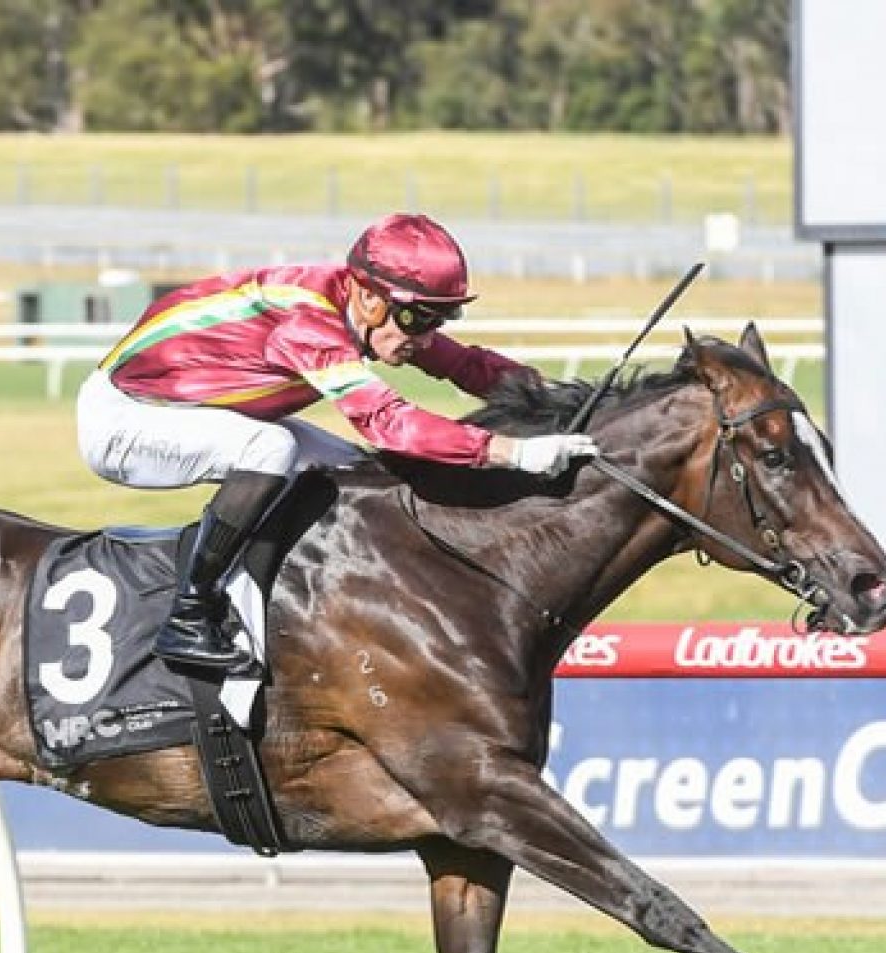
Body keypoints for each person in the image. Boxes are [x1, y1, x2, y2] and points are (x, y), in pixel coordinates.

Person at [77, 212, 596, 671]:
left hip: (198, 408)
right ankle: (190, 614)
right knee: (270, 451)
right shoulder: (309, 323)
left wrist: (566, 401)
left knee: (363, 474)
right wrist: (513, 452)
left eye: (439, 319)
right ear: (368, 297)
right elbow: (389, 422)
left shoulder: (371, 311)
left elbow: (466, 367)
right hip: (126, 419)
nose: (425, 334)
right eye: (417, 317)